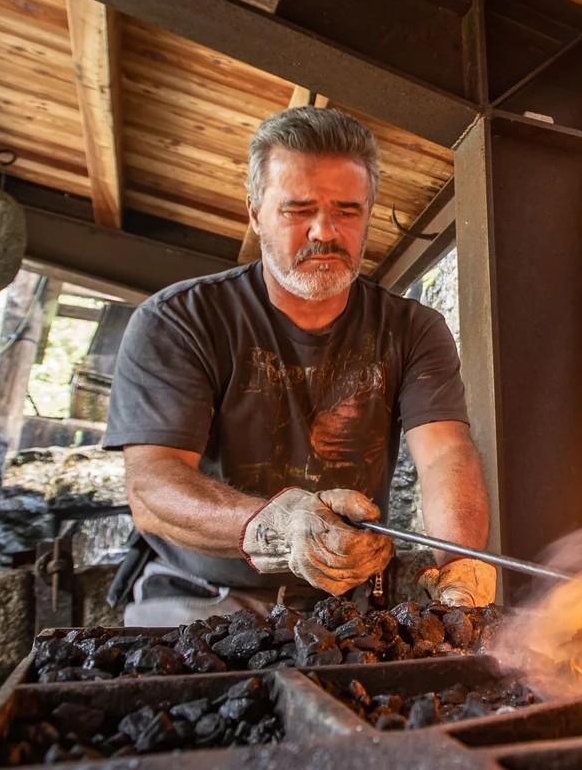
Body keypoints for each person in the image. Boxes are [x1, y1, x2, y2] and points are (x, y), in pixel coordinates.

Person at [104, 107, 494, 624]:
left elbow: (444, 453)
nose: (324, 232)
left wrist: (460, 563)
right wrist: (272, 526)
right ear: (255, 213)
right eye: (297, 209)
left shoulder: (413, 329)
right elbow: (151, 486)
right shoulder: (179, 320)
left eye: (348, 211)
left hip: (349, 602)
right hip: (201, 595)